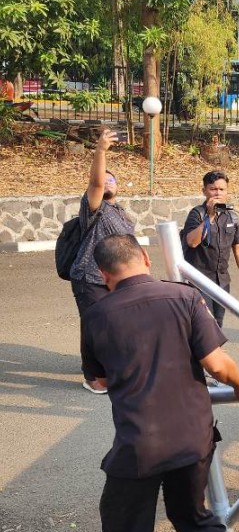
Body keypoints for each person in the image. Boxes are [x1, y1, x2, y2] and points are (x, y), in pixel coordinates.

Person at [81, 234, 239, 532]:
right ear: (145, 259)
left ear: (103, 274)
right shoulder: (184, 296)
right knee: (193, 517)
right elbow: (216, 363)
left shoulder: (97, 316)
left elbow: (101, 380)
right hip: (193, 439)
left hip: (140, 447)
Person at [70, 128, 134, 394]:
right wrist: (100, 151)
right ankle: (93, 376)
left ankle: (113, 367)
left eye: (111, 180)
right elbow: (95, 183)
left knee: (115, 324)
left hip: (114, 280)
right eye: (103, 178)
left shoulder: (122, 214)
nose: (106, 182)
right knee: (95, 325)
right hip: (90, 277)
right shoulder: (94, 208)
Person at [182, 171, 239, 328]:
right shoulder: (197, 214)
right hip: (199, 282)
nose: (217, 193)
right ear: (204, 191)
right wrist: (210, 217)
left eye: (222, 189)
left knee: (217, 324)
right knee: (203, 325)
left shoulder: (232, 217)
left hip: (222, 281)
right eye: (213, 189)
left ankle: (214, 352)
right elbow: (192, 242)